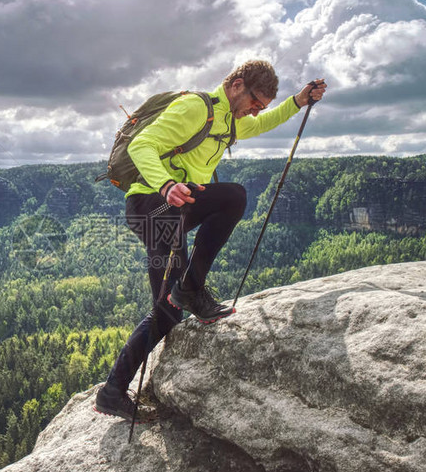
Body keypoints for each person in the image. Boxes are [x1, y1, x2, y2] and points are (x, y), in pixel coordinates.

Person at [95, 60, 327, 421]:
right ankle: (112, 391)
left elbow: (263, 124)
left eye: (260, 107)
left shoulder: (230, 121)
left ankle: (190, 289)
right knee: (168, 310)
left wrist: (298, 101)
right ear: (236, 85)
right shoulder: (194, 108)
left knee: (232, 197)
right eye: (254, 102)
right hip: (151, 207)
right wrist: (166, 184)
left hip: (177, 206)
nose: (255, 112)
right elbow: (143, 146)